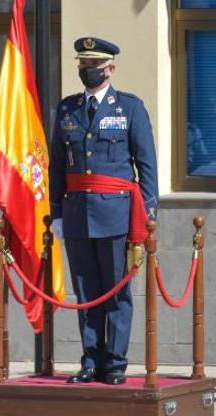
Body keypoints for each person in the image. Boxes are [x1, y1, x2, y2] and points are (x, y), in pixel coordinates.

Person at [49, 37, 159, 385]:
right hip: (78, 213)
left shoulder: (129, 108)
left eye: (93, 66)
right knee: (86, 293)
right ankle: (91, 359)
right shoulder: (67, 110)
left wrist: (148, 213)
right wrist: (56, 213)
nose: (87, 71)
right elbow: (56, 166)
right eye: (82, 65)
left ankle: (115, 362)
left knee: (116, 292)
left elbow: (147, 165)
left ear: (110, 69)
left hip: (116, 214)